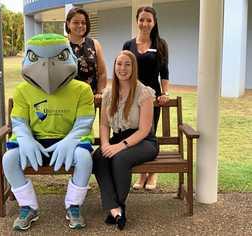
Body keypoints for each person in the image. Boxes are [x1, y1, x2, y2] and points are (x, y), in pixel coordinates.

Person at [2, 33, 95, 231]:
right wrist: (26, 138)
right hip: (36, 144)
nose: (46, 69)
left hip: (68, 142)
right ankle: (28, 207)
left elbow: (84, 122)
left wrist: (71, 140)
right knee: (9, 159)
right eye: (36, 59)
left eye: (59, 58)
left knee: (85, 158)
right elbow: (18, 121)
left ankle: (74, 206)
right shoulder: (22, 90)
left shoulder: (82, 90)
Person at [93, 50, 159, 230]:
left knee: (120, 158)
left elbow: (145, 129)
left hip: (144, 142)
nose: (122, 68)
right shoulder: (108, 93)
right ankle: (115, 208)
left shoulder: (143, 92)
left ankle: (117, 204)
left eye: (127, 64)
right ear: (114, 67)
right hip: (118, 138)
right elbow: (105, 125)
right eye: (119, 64)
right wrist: (106, 144)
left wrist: (120, 147)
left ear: (133, 68)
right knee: (99, 156)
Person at [122, 6, 169, 190]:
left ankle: (153, 174)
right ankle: (142, 175)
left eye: (149, 20)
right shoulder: (128, 45)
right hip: (132, 98)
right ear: (137, 21)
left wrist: (164, 93)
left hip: (152, 98)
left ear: (154, 22)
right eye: (142, 19)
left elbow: (164, 72)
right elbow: (123, 69)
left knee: (150, 134)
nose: (145, 23)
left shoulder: (160, 44)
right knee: (136, 133)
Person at [65, 7, 107, 106]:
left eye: (83, 23)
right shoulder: (61, 45)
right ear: (68, 23)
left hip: (89, 99)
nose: (80, 25)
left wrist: (99, 93)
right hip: (67, 100)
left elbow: (102, 73)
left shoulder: (94, 44)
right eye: (76, 22)